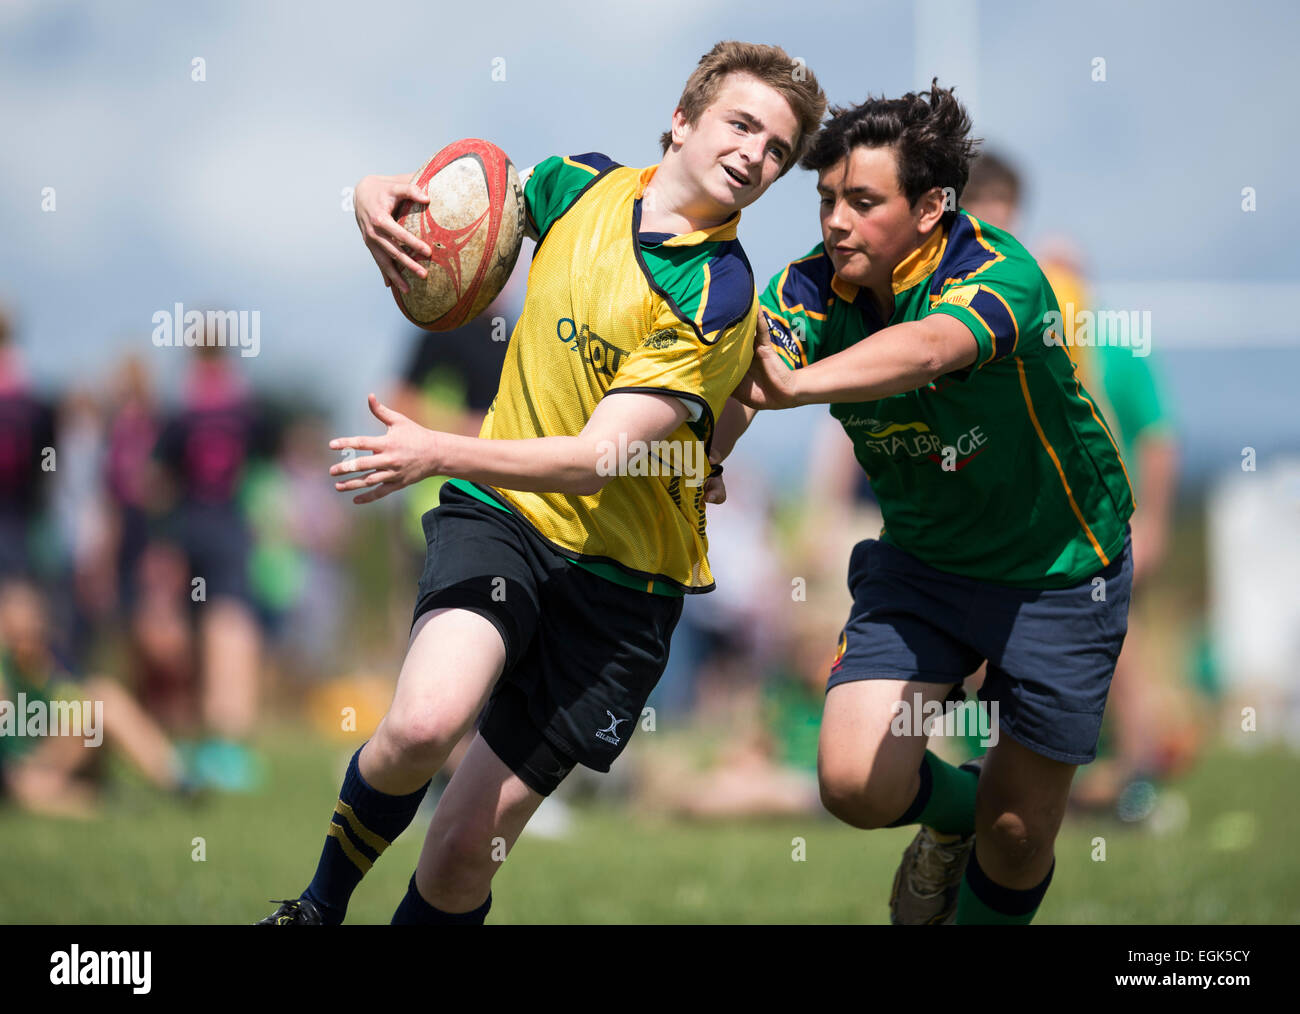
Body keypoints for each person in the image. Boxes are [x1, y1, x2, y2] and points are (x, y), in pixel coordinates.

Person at [259, 40, 826, 925]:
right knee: (420, 724)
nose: (757, 154)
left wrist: (440, 450)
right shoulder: (577, 185)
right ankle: (315, 909)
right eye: (742, 124)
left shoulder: (717, 295)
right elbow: (461, 199)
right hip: (507, 516)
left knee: (456, 859)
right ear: (680, 121)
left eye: (779, 150)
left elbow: (598, 459)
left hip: (621, 587)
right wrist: (376, 191)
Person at [725, 82, 1135, 925]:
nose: (836, 221)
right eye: (827, 199)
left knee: (1019, 835)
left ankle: (985, 826)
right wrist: (707, 453)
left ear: (931, 207)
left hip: (1059, 570)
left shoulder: (1003, 273)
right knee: (851, 783)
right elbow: (748, 374)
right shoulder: (809, 289)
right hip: (924, 568)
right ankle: (954, 813)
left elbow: (926, 350)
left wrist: (797, 386)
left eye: (863, 201)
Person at [961, 152, 1189, 818]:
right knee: (992, 646)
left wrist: (1155, 525)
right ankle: (1007, 777)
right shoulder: (980, 305)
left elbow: (1158, 437)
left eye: (1001, 215)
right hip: (1017, 520)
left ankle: (1139, 775)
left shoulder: (1086, 324)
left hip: (1091, 520)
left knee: (1122, 647)